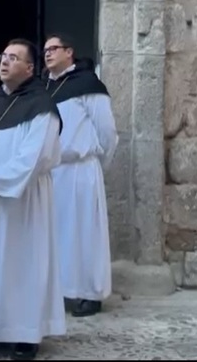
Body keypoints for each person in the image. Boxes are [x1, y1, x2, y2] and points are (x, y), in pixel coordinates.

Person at [0, 39, 66, 360]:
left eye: (14, 58)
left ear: (29, 68)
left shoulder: (41, 105)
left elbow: (34, 156)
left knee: (22, 263)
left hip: (22, 200)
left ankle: (26, 333)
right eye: (3, 56)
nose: (5, 62)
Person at [43, 34, 117, 318]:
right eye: (46, 50)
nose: (48, 54)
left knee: (85, 231)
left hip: (81, 168)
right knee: (57, 232)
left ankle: (90, 292)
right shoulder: (44, 88)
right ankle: (61, 288)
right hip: (52, 170)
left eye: (54, 49)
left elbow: (107, 131)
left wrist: (96, 162)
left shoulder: (88, 85)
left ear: (69, 52)